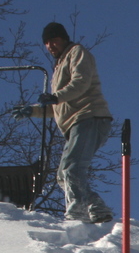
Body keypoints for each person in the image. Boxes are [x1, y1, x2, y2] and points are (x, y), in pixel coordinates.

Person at [13, 22, 114, 223]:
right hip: (75, 123)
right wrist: (33, 110)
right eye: (47, 43)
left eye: (54, 40)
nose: (50, 45)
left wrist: (56, 96)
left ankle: (77, 213)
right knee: (62, 176)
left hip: (89, 117)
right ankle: (97, 207)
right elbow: (58, 107)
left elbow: (80, 83)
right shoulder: (58, 66)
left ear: (64, 39)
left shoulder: (76, 52)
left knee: (72, 168)